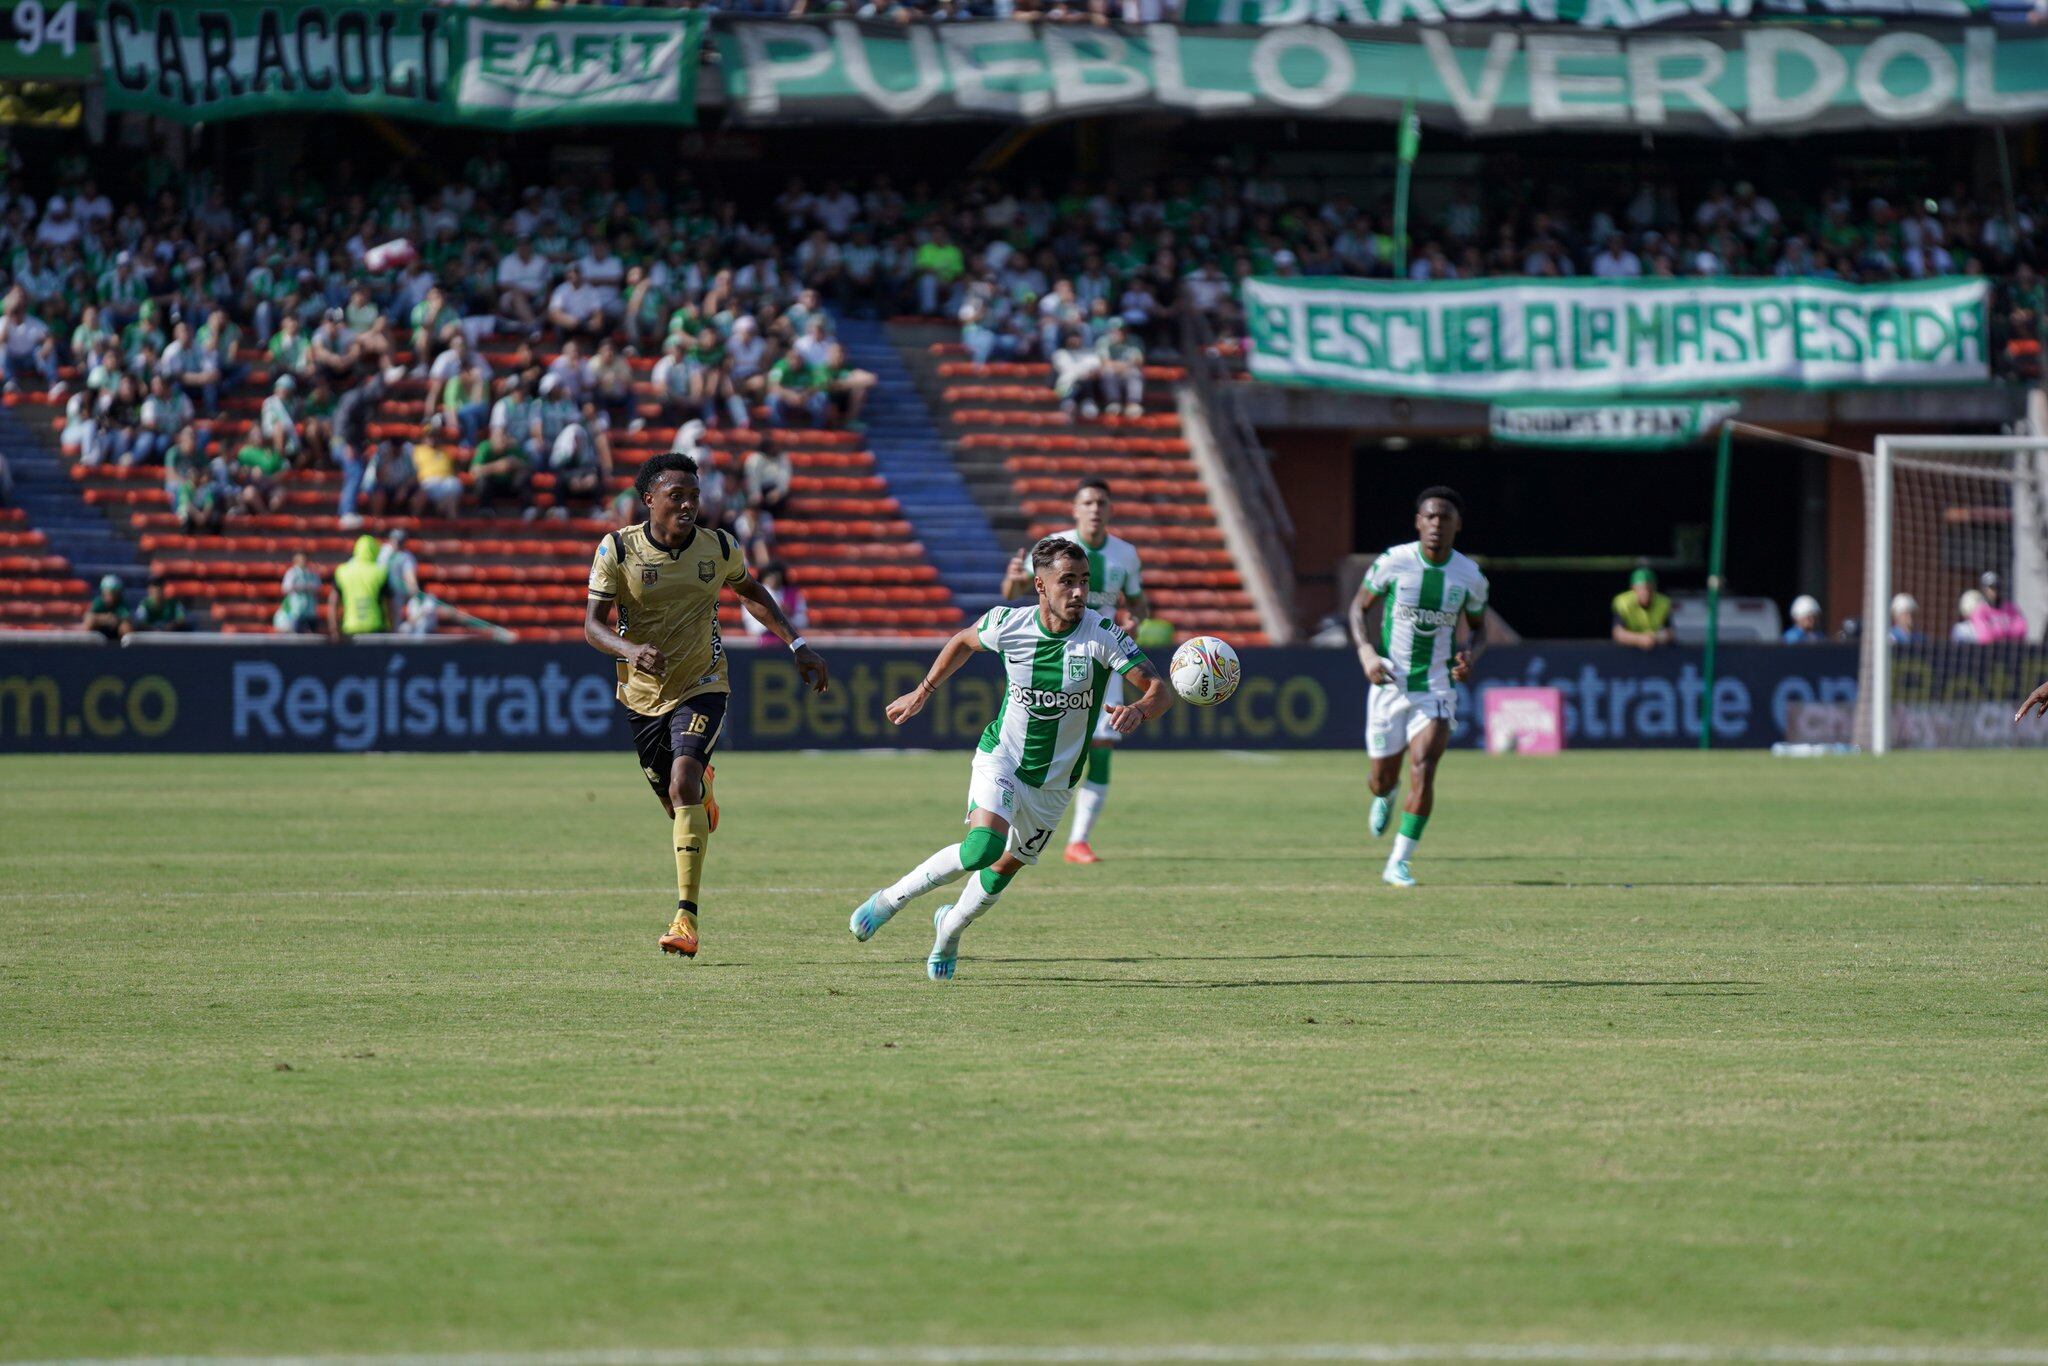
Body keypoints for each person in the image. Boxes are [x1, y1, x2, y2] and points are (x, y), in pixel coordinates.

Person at [850, 536, 1173, 980]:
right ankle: (890, 899)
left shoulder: (1101, 633)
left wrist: (1139, 707)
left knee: (1003, 870)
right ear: (1040, 585)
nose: (1078, 592)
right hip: (1001, 756)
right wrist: (923, 691)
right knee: (982, 847)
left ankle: (949, 930)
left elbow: (1158, 689)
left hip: (1056, 783)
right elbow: (964, 640)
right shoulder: (1009, 623)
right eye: (1067, 582)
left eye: (1084, 582)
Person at [583, 451, 829, 960]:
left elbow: (749, 590)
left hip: (703, 683)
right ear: (649, 499)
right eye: (677, 496)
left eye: (695, 496)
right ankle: (702, 790)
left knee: (683, 780)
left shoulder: (717, 546)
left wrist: (797, 645)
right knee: (678, 805)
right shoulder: (617, 549)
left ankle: (685, 919)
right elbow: (592, 625)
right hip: (641, 696)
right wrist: (629, 650)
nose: (689, 505)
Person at [1349, 486, 1491, 889]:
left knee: (1424, 770)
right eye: (1429, 516)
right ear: (1418, 522)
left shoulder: (1470, 577)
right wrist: (1366, 654)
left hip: (1437, 686)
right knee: (1381, 778)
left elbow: (1480, 632)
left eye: (1445, 517)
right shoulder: (1394, 562)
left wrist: (1471, 655)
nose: (1436, 524)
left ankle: (1399, 861)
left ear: (1457, 525)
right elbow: (1358, 608)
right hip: (1390, 682)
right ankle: (1384, 794)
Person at [1002, 477, 1148, 864]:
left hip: (1104, 657)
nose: (1095, 509)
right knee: (1048, 741)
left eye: (1102, 502)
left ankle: (1078, 840)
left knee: (1101, 747)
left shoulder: (1125, 555)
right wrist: (1012, 576)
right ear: (1075, 509)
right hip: (1056, 655)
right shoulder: (1055, 546)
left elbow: (1138, 602)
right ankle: (1010, 821)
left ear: (1110, 509)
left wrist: (1134, 622)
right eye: (1088, 502)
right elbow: (1013, 591)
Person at [329, 534, 395, 638]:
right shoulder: (381, 572)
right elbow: (388, 603)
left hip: (350, 628)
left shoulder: (342, 571)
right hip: (375, 627)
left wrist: (334, 628)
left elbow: (333, 602)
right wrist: (392, 628)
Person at [1611, 567, 1673, 650]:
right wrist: (1640, 639)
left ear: (1655, 588)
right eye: (1641, 588)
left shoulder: (1664, 603)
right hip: (1627, 650)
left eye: (1649, 588)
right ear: (1633, 588)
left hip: (1654, 651)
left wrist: (1654, 638)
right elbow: (1618, 633)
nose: (1646, 592)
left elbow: (1669, 633)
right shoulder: (1623, 603)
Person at [1970, 571, 2029, 643]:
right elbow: (1985, 637)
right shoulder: (1979, 611)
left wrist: (1996, 631)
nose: (1995, 591)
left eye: (1997, 587)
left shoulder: (2010, 608)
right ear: (1984, 590)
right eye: (1991, 588)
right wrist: (2006, 631)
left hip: (2011, 649)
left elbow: (2021, 629)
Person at [273, 553, 321, 633]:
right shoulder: (292, 573)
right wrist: (300, 587)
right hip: (296, 611)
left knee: (313, 632)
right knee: (297, 633)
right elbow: (286, 588)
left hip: (310, 611)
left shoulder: (311, 573)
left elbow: (317, 586)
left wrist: (309, 588)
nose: (303, 561)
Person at [82, 574, 131, 640]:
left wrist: (115, 620)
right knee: (90, 622)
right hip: (100, 629)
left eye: (114, 592)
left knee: (126, 626)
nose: (111, 596)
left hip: (116, 631)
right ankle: (88, 647)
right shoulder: (98, 602)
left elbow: (127, 618)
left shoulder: (122, 604)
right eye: (109, 592)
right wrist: (104, 619)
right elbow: (88, 617)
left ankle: (127, 649)